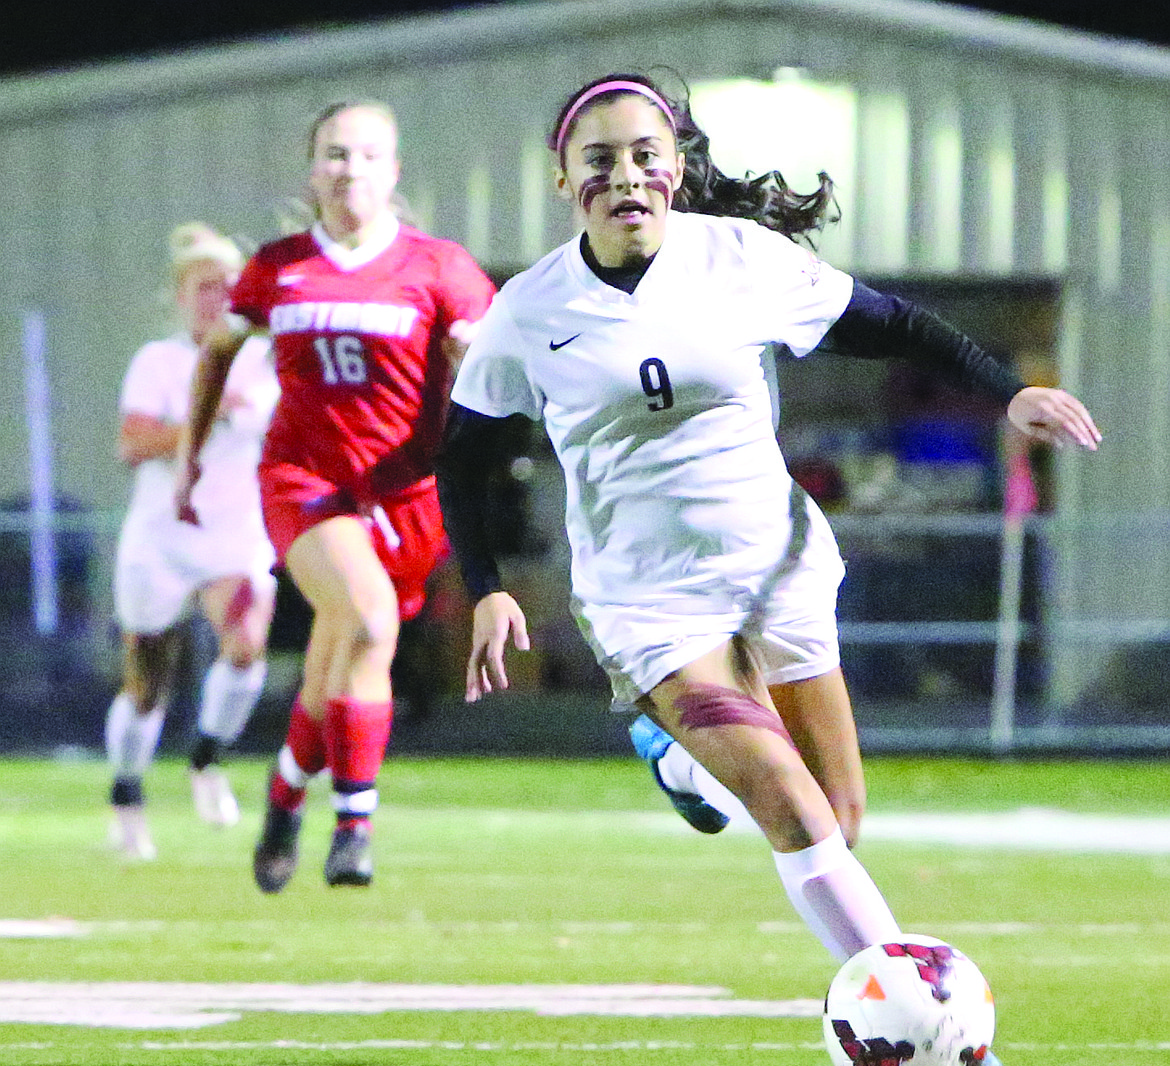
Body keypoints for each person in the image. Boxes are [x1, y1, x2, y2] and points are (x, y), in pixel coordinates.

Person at [438, 73, 1100, 1000]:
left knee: (838, 815)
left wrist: (1009, 390)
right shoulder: (527, 312)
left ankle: (684, 764)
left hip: (776, 567)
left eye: (643, 155)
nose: (625, 176)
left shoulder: (741, 258)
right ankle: (911, 1007)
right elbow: (462, 460)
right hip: (650, 599)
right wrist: (488, 584)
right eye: (599, 160)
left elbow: (892, 323)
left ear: (673, 166)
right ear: (562, 181)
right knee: (789, 804)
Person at [175, 100, 495, 893]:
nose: (348, 168)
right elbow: (216, 354)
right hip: (306, 484)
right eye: (333, 154)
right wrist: (190, 457)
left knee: (344, 651)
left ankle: (285, 795)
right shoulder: (281, 265)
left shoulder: (440, 266)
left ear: (393, 170)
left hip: (407, 494)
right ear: (312, 169)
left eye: (365, 155)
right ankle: (354, 823)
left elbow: (497, 366)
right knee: (370, 618)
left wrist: (472, 360)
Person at [108, 222, 279, 860]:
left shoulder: (264, 361)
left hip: (234, 534)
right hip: (162, 536)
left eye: (229, 286)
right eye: (205, 287)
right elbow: (132, 442)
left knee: (246, 643)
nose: (218, 298)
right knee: (149, 679)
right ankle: (126, 793)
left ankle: (206, 758)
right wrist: (204, 415)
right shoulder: (160, 361)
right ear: (180, 295)